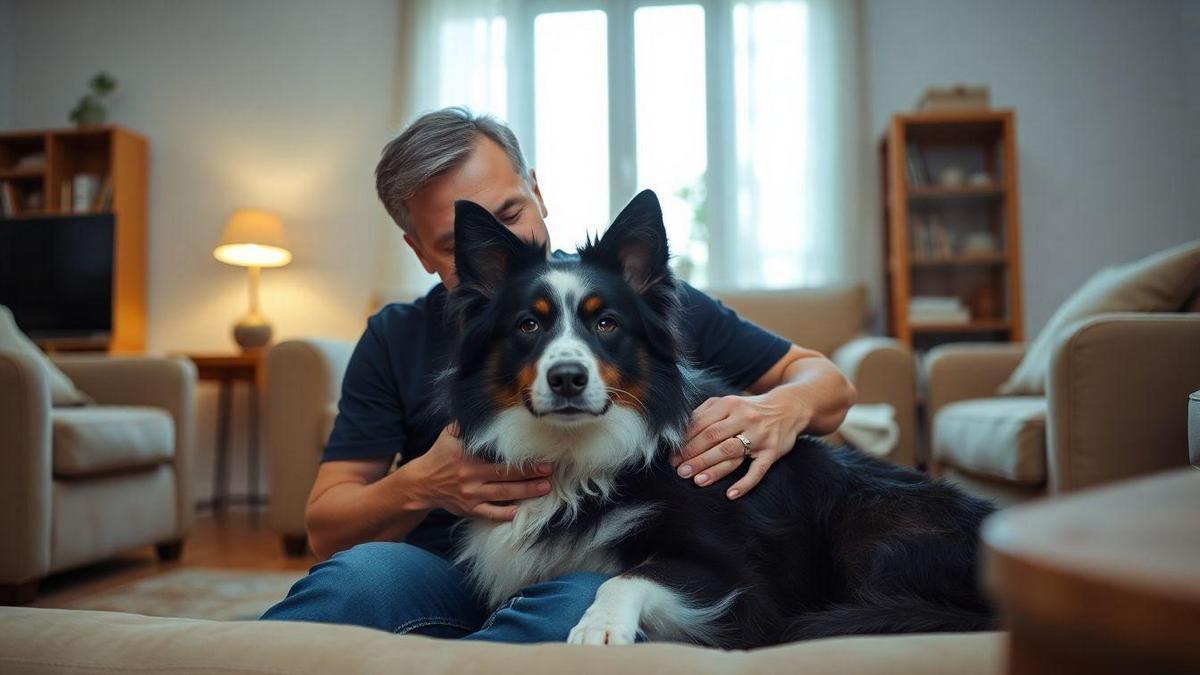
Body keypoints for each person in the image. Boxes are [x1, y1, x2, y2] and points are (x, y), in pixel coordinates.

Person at [260, 107, 855, 642]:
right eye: (460, 239)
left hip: (589, 564)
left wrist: (777, 410)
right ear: (421, 252)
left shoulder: (623, 299)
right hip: (441, 566)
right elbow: (326, 526)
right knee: (355, 578)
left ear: (538, 190)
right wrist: (421, 483)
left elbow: (825, 380)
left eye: (512, 210)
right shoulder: (394, 335)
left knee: (579, 606)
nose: (503, 242)